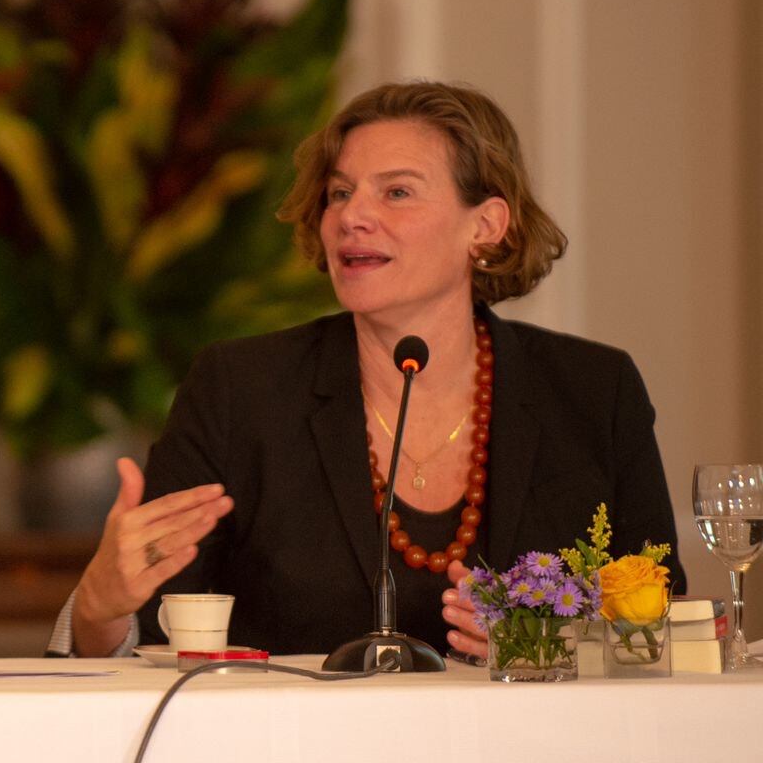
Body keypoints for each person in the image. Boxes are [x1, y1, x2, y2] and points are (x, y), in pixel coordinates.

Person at [50, 81, 685, 660]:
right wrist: (101, 608)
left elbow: (660, 628)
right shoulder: (241, 391)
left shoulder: (593, 391)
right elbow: (151, 641)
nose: (353, 215)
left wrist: (550, 646)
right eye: (340, 193)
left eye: (397, 192)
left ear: (486, 226)